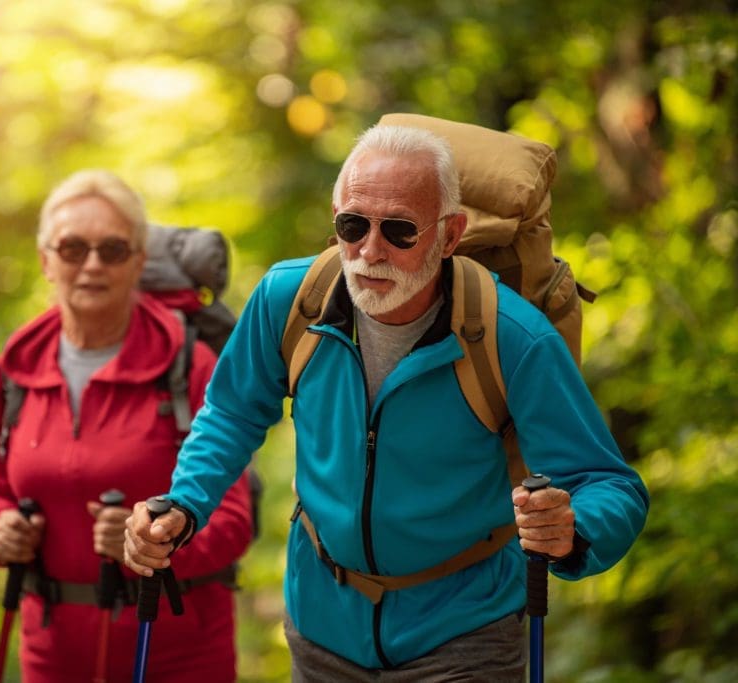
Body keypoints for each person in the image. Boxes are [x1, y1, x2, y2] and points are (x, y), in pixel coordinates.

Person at [123, 125, 649, 681]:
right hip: (322, 623)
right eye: (353, 225)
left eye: (399, 231)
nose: (370, 251)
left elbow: (610, 484)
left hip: (464, 632)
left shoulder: (511, 337)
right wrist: (185, 504)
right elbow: (232, 411)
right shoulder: (289, 300)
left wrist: (573, 529)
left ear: (449, 235)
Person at [0, 169, 252, 682]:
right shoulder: (16, 369)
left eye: (113, 249)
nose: (93, 265)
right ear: (46, 261)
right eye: (73, 248)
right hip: (52, 653)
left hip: (179, 654)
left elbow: (234, 518)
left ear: (139, 261)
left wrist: (154, 538)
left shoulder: (189, 368)